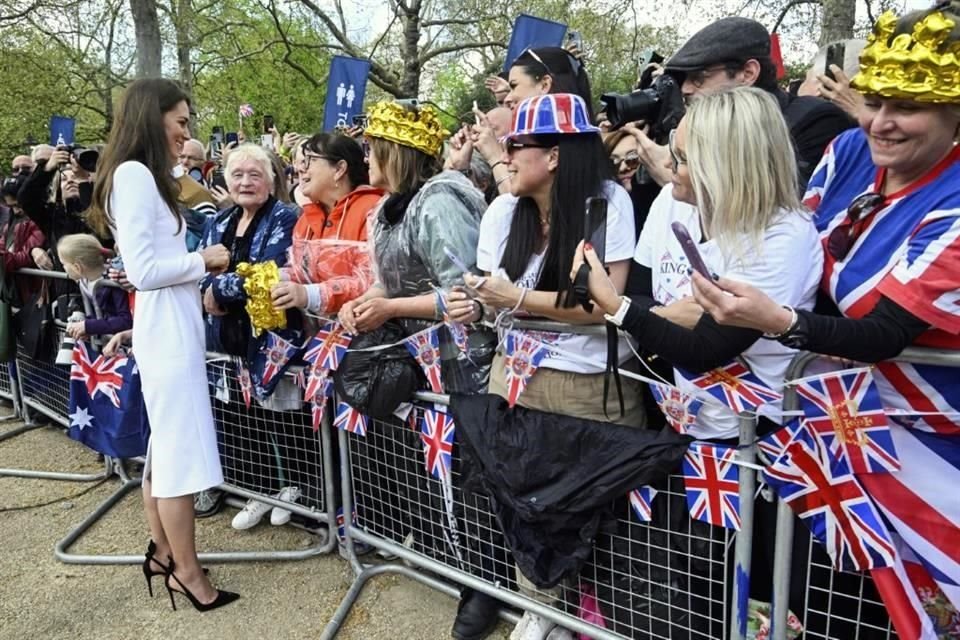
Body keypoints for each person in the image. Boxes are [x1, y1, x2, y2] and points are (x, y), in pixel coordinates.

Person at [690, 6, 960, 633]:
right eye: (876, 100)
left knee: (905, 608)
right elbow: (797, 237)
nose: (881, 122)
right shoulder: (848, 150)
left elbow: (887, 334)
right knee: (805, 592)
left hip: (920, 441)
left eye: (908, 108)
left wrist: (782, 321)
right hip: (823, 426)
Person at [446, 93, 641, 640]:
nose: (504, 156)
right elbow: (492, 297)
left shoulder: (606, 204)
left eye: (516, 145)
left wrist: (513, 299)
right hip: (515, 374)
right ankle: (539, 603)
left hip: (585, 387)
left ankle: (586, 615)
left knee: (584, 504)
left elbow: (601, 307)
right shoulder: (503, 210)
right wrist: (476, 304)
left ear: (554, 156)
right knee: (522, 497)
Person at [572, 87, 820, 440]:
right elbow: (641, 293)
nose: (668, 164)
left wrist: (616, 307)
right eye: (673, 149)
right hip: (682, 418)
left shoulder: (784, 235)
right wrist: (663, 316)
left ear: (730, 166)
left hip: (758, 435)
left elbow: (704, 350)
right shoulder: (671, 202)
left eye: (683, 158)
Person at [336, 100, 498, 640]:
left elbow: (464, 294)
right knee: (442, 471)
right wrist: (363, 303)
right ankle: (457, 563)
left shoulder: (439, 201)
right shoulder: (387, 209)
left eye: (372, 146)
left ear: (395, 152)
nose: (364, 155)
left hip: (467, 362)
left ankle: (486, 588)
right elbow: (391, 281)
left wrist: (390, 309)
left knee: (473, 474)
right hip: (422, 359)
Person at [85, 77, 237, 611]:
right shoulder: (133, 175)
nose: (185, 132)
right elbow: (144, 271)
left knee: (161, 453)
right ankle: (189, 575)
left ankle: (165, 555)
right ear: (154, 119)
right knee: (176, 458)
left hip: (170, 326)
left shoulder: (142, 176)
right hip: (166, 330)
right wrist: (206, 259)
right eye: (180, 122)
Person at [627, 16, 854, 189]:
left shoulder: (816, 123)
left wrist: (683, 183)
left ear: (747, 73)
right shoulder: (694, 131)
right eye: (683, 80)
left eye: (698, 78)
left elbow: (792, 210)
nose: (686, 89)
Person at [198, 143, 299, 360]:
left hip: (266, 347)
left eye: (255, 175)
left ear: (269, 182)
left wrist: (217, 287)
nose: (245, 183)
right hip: (219, 347)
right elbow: (198, 272)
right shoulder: (218, 221)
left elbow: (268, 274)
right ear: (227, 181)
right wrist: (211, 285)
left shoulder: (284, 217)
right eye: (237, 175)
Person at [270, 132, 384, 316]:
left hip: (364, 333)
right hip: (318, 335)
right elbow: (301, 272)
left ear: (339, 169)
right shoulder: (306, 219)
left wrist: (309, 295)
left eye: (309, 160)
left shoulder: (373, 210)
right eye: (300, 161)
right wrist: (271, 277)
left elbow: (374, 283)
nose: (300, 168)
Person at [472, 48, 595, 196]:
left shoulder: (609, 200)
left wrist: (495, 157)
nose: (508, 99)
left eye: (516, 145)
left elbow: (512, 199)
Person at [58, 234, 132, 340]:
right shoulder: (84, 282)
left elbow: (125, 321)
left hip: (123, 343)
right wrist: (86, 329)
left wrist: (89, 326)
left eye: (64, 264)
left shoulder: (113, 281)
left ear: (77, 267)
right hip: (107, 341)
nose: (63, 267)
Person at [0, 176, 44, 306]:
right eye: (11, 206)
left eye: (19, 205)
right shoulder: (10, 224)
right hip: (17, 294)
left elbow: (24, 258)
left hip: (35, 295)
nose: (16, 210)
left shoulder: (41, 221)